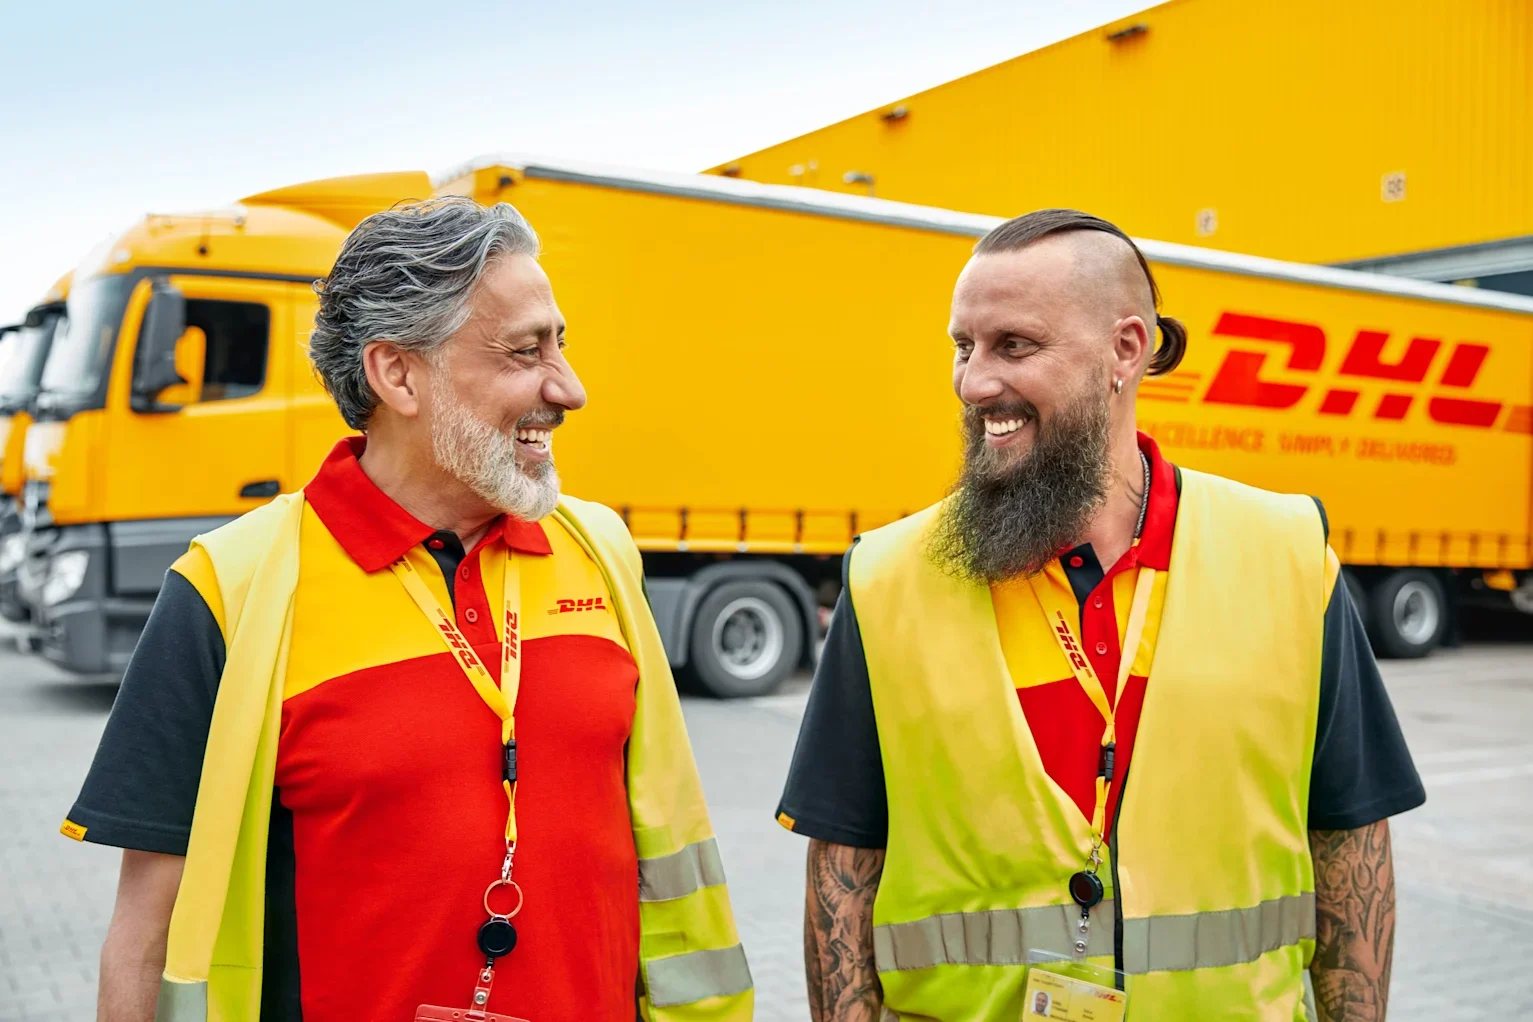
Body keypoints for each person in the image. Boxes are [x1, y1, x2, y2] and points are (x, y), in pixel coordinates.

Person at [64, 197, 752, 1022]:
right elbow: (147, 929)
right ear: (397, 374)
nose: (568, 388)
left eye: (561, 344)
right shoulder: (228, 589)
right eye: (524, 351)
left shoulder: (600, 551)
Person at [778, 209, 1424, 1021]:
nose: (975, 382)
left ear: (1125, 349)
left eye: (1014, 346)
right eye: (962, 347)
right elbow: (842, 867)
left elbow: (1350, 844)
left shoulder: (1286, 556)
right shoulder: (885, 578)